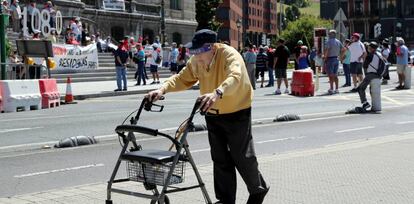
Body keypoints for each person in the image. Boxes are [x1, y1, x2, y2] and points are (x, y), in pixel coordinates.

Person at [147, 29, 269, 204]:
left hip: (237, 111)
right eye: (192, 52)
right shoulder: (197, 61)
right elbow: (182, 78)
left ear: (211, 47)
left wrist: (218, 92)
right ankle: (225, 200)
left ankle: (258, 189)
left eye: (198, 52)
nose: (195, 56)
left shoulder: (229, 55)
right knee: (220, 159)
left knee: (241, 156)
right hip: (212, 113)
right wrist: (162, 89)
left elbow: (236, 76)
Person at [357, 42, 383, 110]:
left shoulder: (370, 55)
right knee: (371, 90)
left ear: (371, 48)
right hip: (378, 74)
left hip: (371, 74)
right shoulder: (379, 54)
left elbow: (365, 65)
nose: (368, 48)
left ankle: (365, 103)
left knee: (360, 88)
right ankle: (374, 105)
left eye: (368, 47)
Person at [324, 30, 343, 94]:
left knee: (330, 75)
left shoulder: (329, 42)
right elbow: (343, 49)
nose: (328, 35)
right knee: (335, 74)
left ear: (332, 34)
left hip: (330, 59)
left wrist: (325, 58)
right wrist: (340, 56)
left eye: (329, 34)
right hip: (336, 59)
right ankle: (337, 89)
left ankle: (331, 88)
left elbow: (327, 50)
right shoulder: (338, 41)